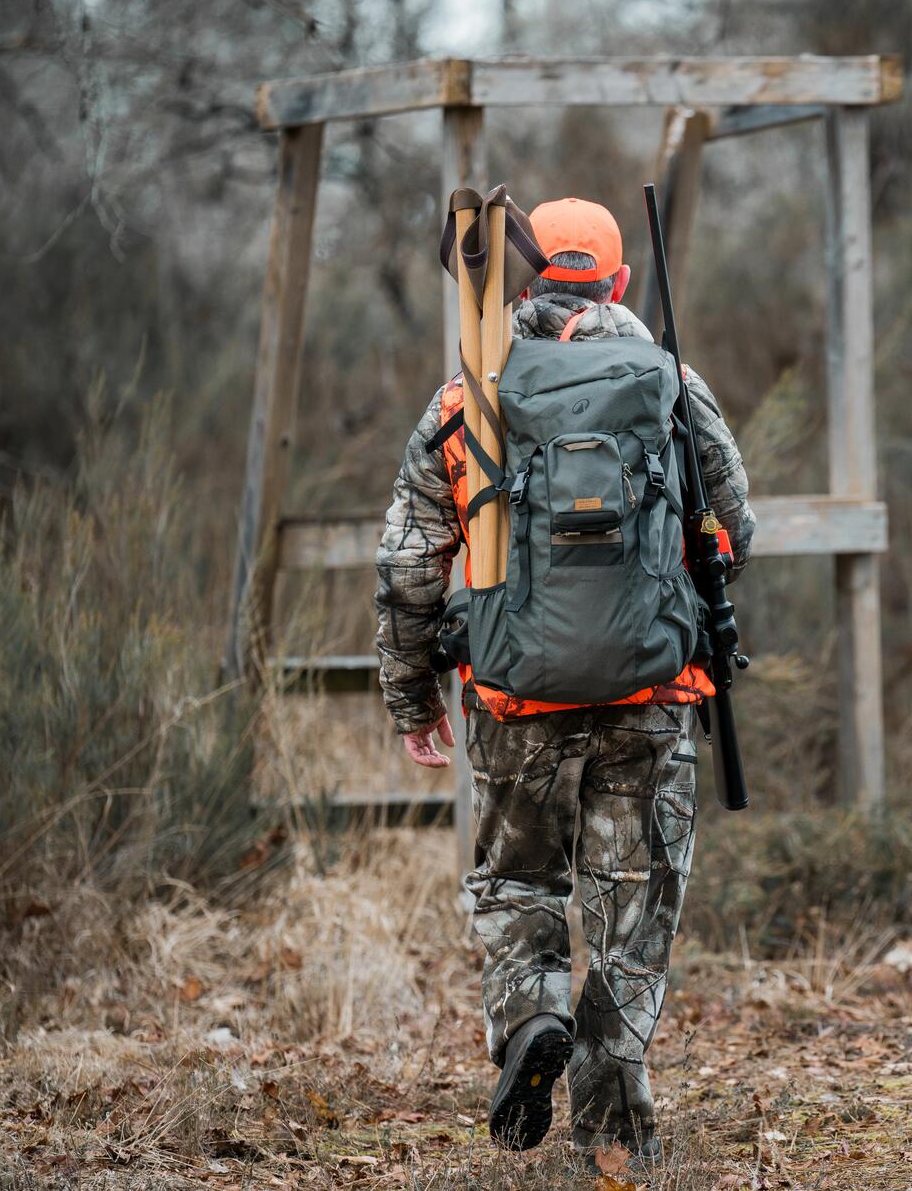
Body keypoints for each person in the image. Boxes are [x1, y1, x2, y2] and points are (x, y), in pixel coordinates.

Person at [372, 195, 754, 1164]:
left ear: (520, 281)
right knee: (632, 912)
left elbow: (409, 561)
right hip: (652, 699)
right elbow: (733, 529)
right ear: (619, 284)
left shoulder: (474, 395)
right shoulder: (671, 382)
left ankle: (533, 1015)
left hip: (512, 695)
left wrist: (414, 697)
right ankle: (612, 1135)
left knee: (517, 880)